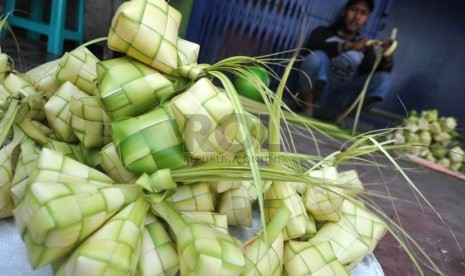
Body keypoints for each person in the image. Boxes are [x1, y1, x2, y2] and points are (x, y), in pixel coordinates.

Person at [299, 0, 394, 121]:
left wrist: (387, 55)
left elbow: (375, 74)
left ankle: (340, 117)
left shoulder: (366, 48)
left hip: (340, 100)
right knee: (315, 56)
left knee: (384, 80)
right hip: (319, 95)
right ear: (344, 12)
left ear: (367, 19)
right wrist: (349, 46)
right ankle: (308, 109)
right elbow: (311, 48)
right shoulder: (324, 32)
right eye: (354, 10)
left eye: (363, 13)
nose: (357, 17)